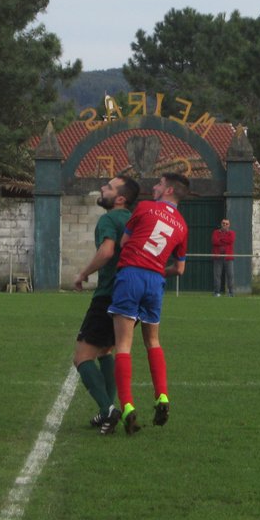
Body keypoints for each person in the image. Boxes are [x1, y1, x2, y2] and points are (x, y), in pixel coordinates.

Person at [108, 172, 190, 435]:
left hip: (131, 274)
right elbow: (180, 269)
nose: (154, 187)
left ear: (168, 190)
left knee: (122, 345)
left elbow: (124, 242)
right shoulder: (182, 226)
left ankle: (128, 407)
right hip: (155, 282)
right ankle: (162, 396)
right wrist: (157, 269)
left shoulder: (144, 207)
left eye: (159, 184)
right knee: (153, 341)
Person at [71, 175, 141, 433]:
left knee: (82, 357)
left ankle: (107, 409)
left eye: (109, 187)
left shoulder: (109, 219)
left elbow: (107, 251)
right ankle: (107, 410)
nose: (103, 188)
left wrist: (83, 273)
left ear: (120, 198)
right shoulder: (135, 222)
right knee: (106, 351)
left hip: (109, 294)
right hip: (134, 297)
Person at [211, 217, 236, 297]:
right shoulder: (215, 232)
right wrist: (224, 240)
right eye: (223, 223)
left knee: (230, 275)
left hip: (228, 257)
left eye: (226, 224)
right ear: (221, 224)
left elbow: (230, 240)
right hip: (218, 257)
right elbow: (214, 241)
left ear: (229, 225)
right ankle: (216, 292)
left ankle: (231, 293)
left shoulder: (232, 233)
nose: (225, 225)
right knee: (217, 275)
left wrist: (220, 240)